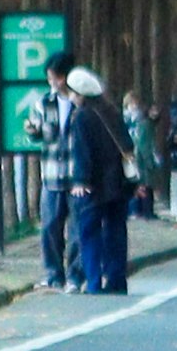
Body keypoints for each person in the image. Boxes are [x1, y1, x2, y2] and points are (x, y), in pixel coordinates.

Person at [60, 61, 136, 290]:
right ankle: (116, 279)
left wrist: (81, 181)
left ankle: (94, 282)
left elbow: (82, 152)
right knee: (116, 232)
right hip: (119, 184)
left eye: (72, 93)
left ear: (80, 94)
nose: (71, 97)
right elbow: (128, 144)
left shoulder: (82, 117)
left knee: (89, 232)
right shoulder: (112, 112)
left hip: (94, 185)